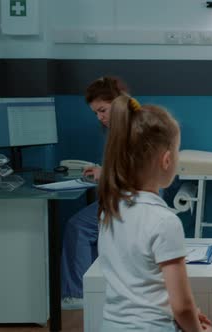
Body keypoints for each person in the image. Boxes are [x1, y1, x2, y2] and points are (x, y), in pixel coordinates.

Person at [97, 94, 212, 331]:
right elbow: (181, 305)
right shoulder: (164, 221)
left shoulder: (110, 210)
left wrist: (191, 314)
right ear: (167, 160)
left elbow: (145, 287)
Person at [61, 76, 128, 307]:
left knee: (78, 227)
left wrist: (105, 174)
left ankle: (78, 294)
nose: (100, 117)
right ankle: (91, 290)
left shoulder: (131, 128)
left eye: (103, 110)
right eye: (96, 113)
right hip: (127, 197)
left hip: (132, 200)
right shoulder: (129, 123)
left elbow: (139, 171)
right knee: (85, 225)